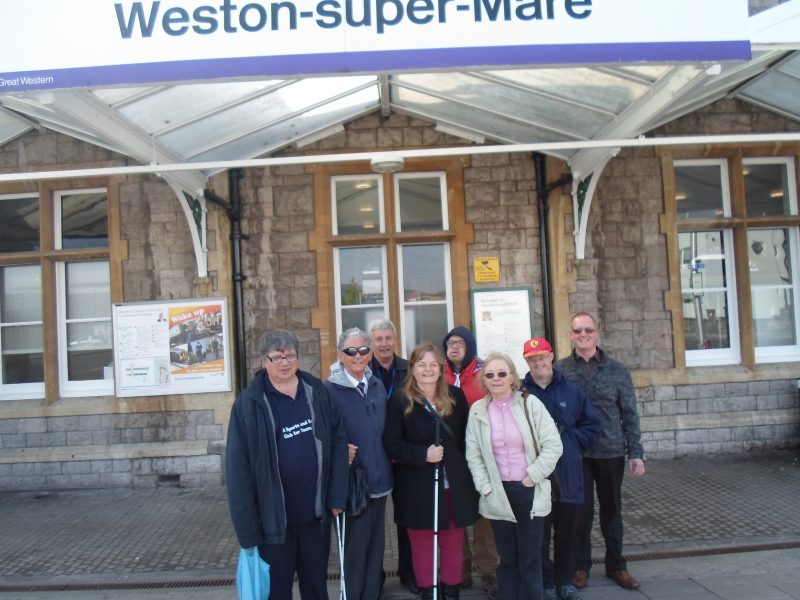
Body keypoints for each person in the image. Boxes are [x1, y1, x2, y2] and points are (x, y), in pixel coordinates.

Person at [225, 329, 348, 600]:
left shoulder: (317, 392)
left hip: (315, 517)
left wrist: (338, 495)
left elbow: (339, 443)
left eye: (290, 355)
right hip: (273, 524)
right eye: (277, 357)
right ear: (264, 361)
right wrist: (247, 532)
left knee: (316, 588)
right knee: (277, 592)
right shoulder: (248, 405)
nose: (284, 362)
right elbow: (238, 472)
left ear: (298, 358)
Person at [555, 313, 646, 591]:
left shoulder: (618, 371)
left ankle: (616, 565)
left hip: (610, 451)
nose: (583, 334)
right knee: (580, 513)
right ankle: (581, 566)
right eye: (577, 330)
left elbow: (630, 414)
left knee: (612, 511)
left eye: (588, 330)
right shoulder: (561, 370)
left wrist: (636, 452)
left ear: (597, 332)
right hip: (576, 454)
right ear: (571, 334)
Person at [383, 342, 479, 600]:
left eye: (433, 365)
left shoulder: (456, 398)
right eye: (421, 365)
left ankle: (451, 591)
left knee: (452, 542)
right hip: (417, 486)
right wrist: (422, 454)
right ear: (412, 369)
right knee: (422, 544)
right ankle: (428, 592)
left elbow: (466, 439)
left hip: (452, 485)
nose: (427, 370)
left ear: (441, 368)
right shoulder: (400, 401)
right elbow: (392, 444)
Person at [465, 352, 563, 600]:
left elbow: (554, 446)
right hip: (498, 492)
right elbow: (473, 454)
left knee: (530, 559)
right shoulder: (478, 410)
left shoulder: (530, 404)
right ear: (483, 380)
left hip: (528, 489)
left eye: (502, 373)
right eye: (490, 375)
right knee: (507, 559)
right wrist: (485, 488)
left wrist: (532, 477)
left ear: (512, 377)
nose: (496, 379)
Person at [521, 338, 602, 600]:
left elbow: (593, 425)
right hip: (536, 474)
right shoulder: (521, 393)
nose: (538, 363)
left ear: (552, 357)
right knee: (540, 534)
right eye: (532, 359)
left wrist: (570, 441)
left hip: (568, 473)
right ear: (527, 362)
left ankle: (564, 581)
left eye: (542, 357)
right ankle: (545, 581)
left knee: (567, 531)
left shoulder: (572, 391)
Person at [325, 327, 394, 600]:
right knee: (354, 550)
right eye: (351, 351)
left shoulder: (376, 385)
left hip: (380, 481)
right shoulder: (328, 390)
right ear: (340, 355)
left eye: (363, 349)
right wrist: (339, 450)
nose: (358, 355)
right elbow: (322, 433)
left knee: (376, 548)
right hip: (352, 484)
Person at [442, 326, 497, 596]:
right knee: (456, 514)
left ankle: (488, 570)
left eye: (460, 343)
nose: (454, 347)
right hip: (452, 456)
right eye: (450, 342)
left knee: (484, 514)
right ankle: (460, 569)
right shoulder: (439, 373)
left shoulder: (483, 371)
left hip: (483, 453)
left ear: (470, 345)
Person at [367, 318, 417, 594]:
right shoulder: (362, 369)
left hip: (402, 456)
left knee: (406, 519)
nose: (384, 343)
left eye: (388, 338)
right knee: (372, 521)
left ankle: (409, 574)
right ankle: (374, 575)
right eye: (378, 339)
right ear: (371, 342)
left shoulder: (408, 370)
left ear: (395, 340)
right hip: (373, 456)